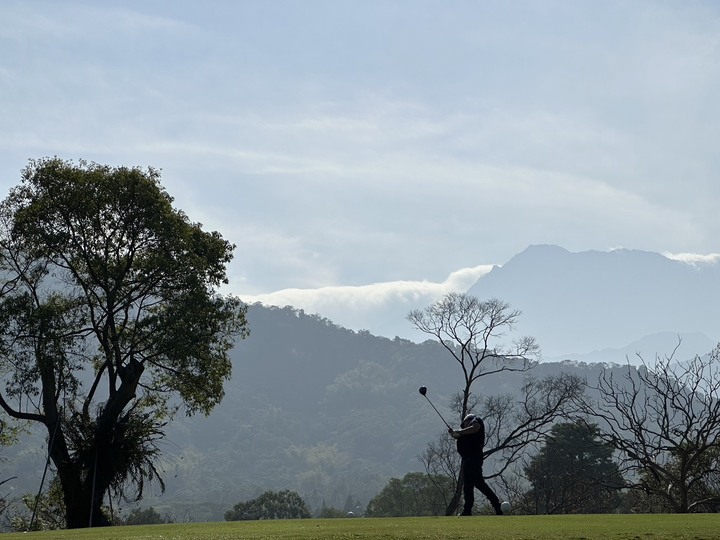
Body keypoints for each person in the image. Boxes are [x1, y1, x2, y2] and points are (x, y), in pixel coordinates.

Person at [449, 413, 503, 516]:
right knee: (480, 485)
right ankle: (497, 505)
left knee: (468, 485)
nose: (463, 426)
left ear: (467, 420)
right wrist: (454, 434)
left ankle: (467, 510)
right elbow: (461, 437)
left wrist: (460, 432)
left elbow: (475, 428)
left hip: (472, 460)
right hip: (470, 460)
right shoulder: (466, 433)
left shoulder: (475, 420)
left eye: (463, 424)